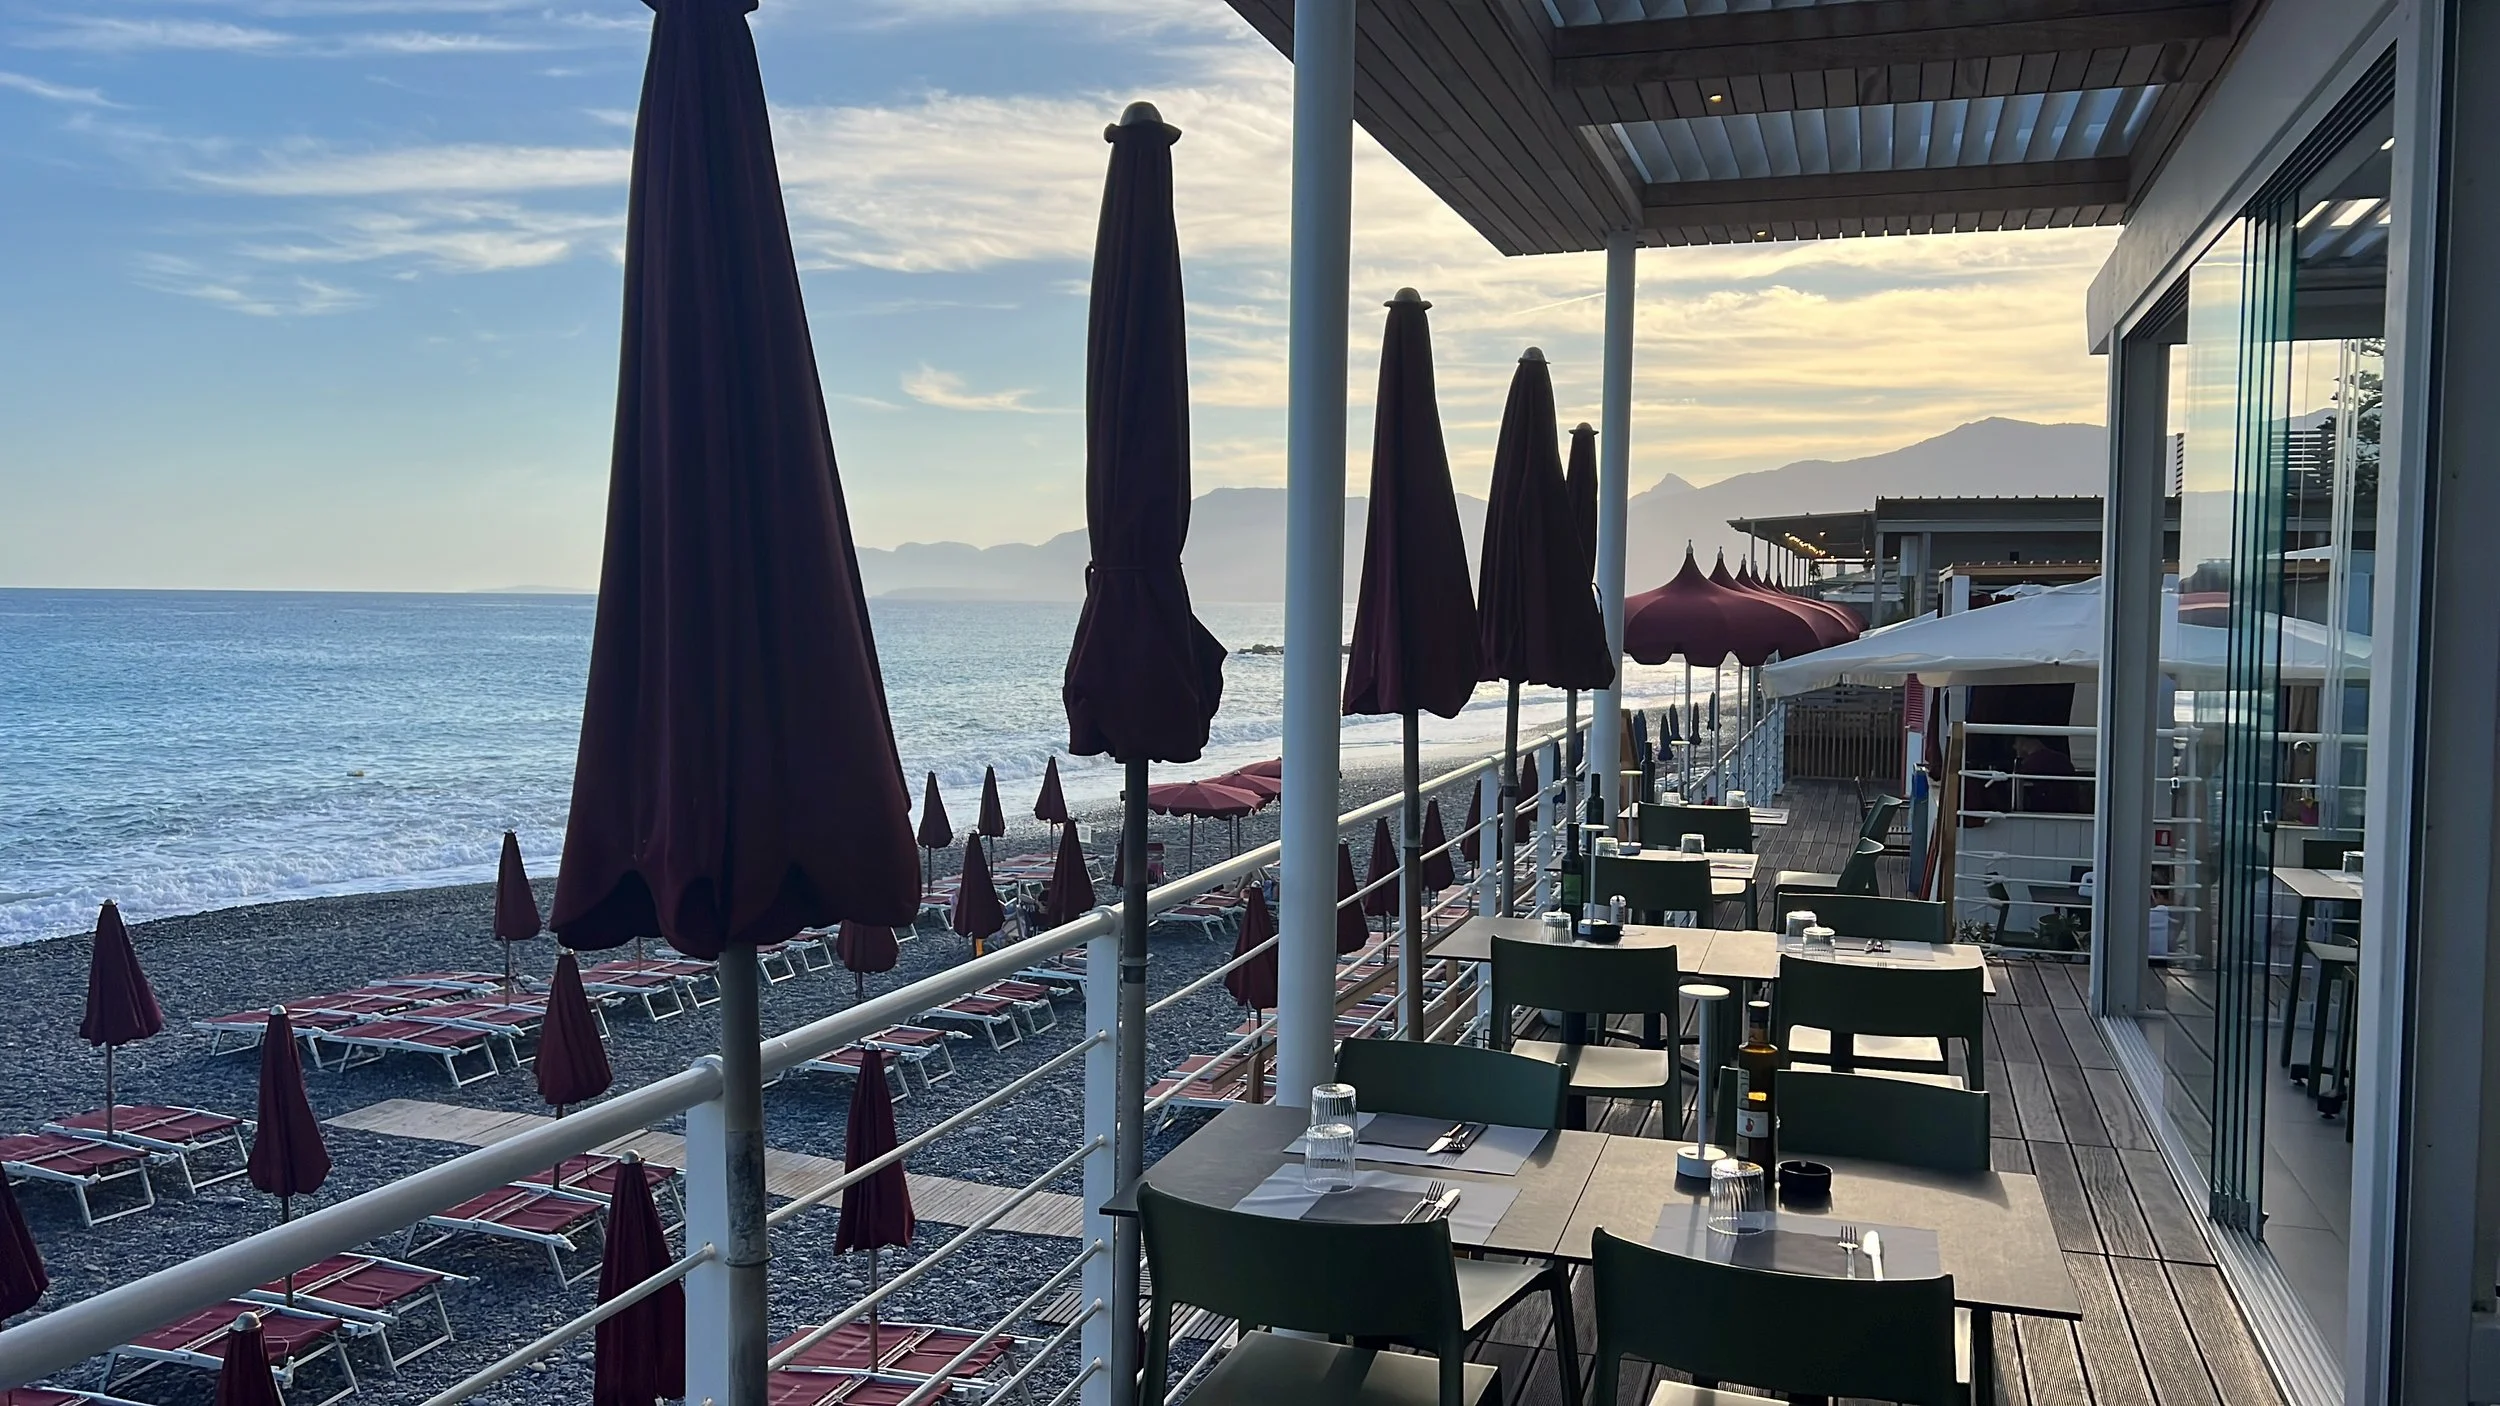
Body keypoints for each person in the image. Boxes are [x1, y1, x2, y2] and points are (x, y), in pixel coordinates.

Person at [2011, 734, 2087, 814]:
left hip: (2040, 811)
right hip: (2067, 809)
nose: (2014, 747)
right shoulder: (2063, 759)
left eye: (2015, 743)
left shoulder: (2029, 764)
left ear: (2022, 742)